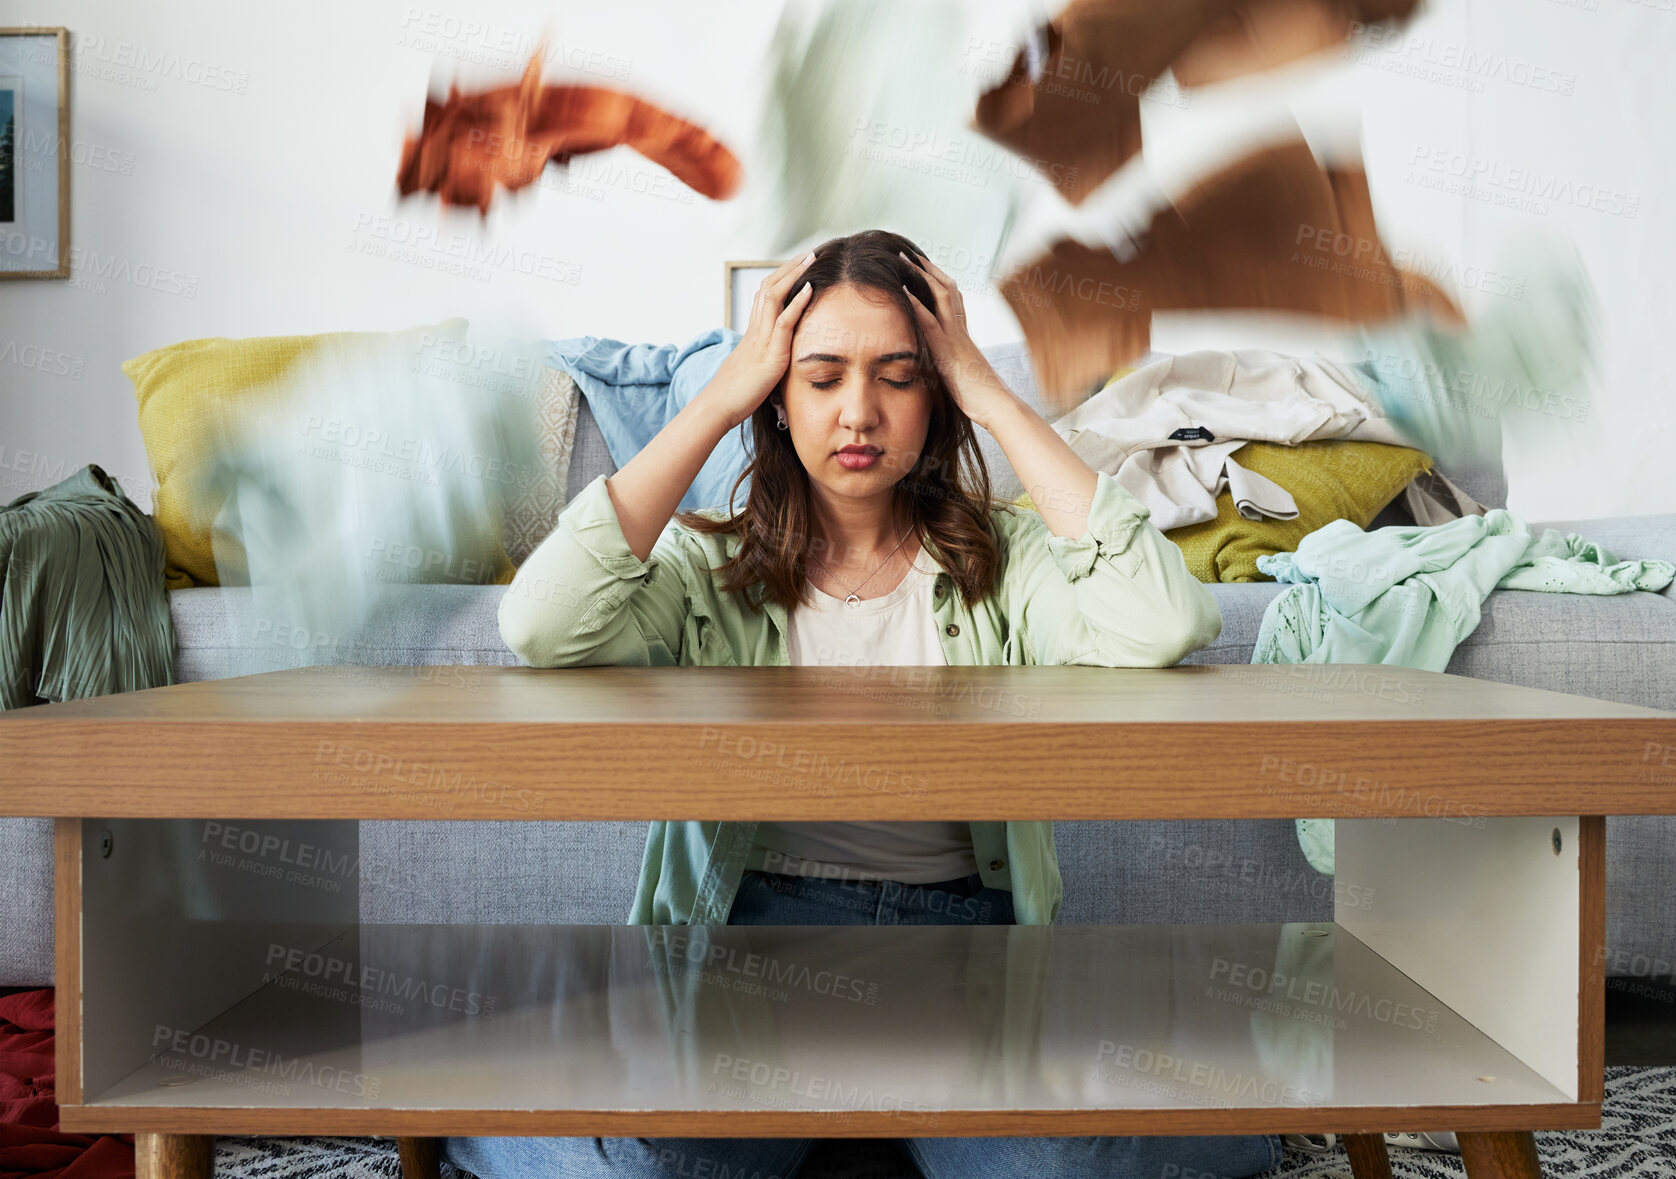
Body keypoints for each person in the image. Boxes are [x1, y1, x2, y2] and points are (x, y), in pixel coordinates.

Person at [444, 229, 1280, 1179]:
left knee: (1064, 1168)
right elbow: (540, 624)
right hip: (754, 938)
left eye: (898, 375)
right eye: (822, 376)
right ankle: (489, 1107)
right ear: (778, 397)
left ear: (937, 395)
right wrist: (721, 397)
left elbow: (1163, 621)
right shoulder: (703, 564)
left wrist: (990, 388)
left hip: (963, 948)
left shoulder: (1000, 565)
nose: (859, 411)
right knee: (652, 1169)